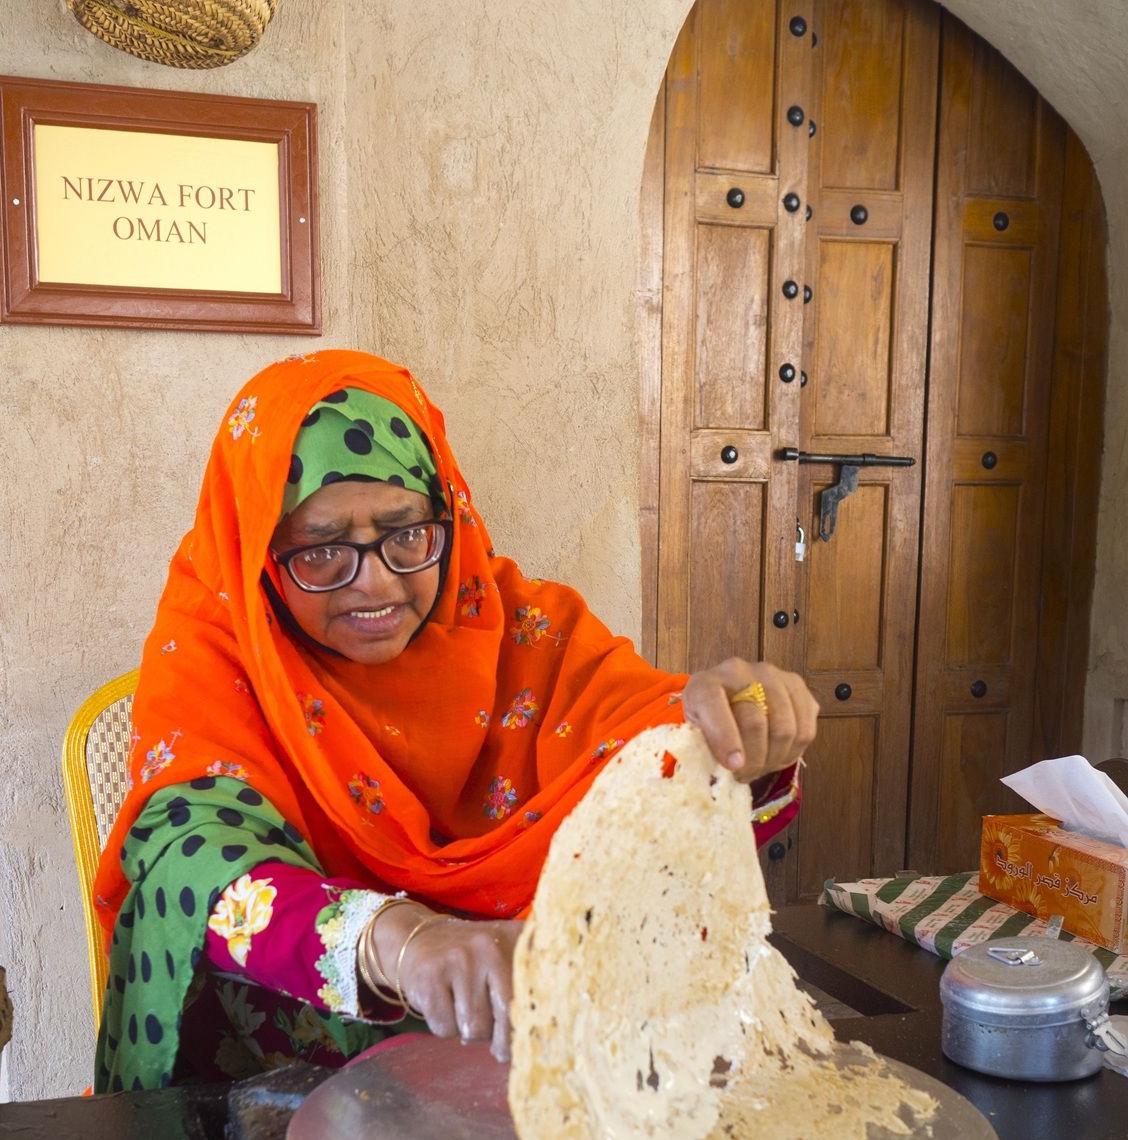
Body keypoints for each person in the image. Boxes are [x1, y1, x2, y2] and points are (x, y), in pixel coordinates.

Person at [92, 351, 818, 1094]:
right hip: (295, 1091)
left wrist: (736, 731)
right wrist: (401, 941)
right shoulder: (215, 659)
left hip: (535, 1082)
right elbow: (196, 861)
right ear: (258, 555)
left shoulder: (525, 632)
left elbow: (648, 739)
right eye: (320, 549)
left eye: (406, 535)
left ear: (451, 517)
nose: (374, 583)